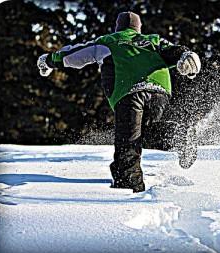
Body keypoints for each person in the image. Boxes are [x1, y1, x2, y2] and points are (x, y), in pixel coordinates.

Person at [37, 11, 201, 193]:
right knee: (146, 132)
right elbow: (175, 51)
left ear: (118, 27)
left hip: (129, 92)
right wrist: (187, 57)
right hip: (160, 91)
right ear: (138, 28)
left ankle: (128, 189)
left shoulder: (108, 41)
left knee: (128, 143)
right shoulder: (153, 40)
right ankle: (177, 135)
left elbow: (75, 55)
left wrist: (49, 61)